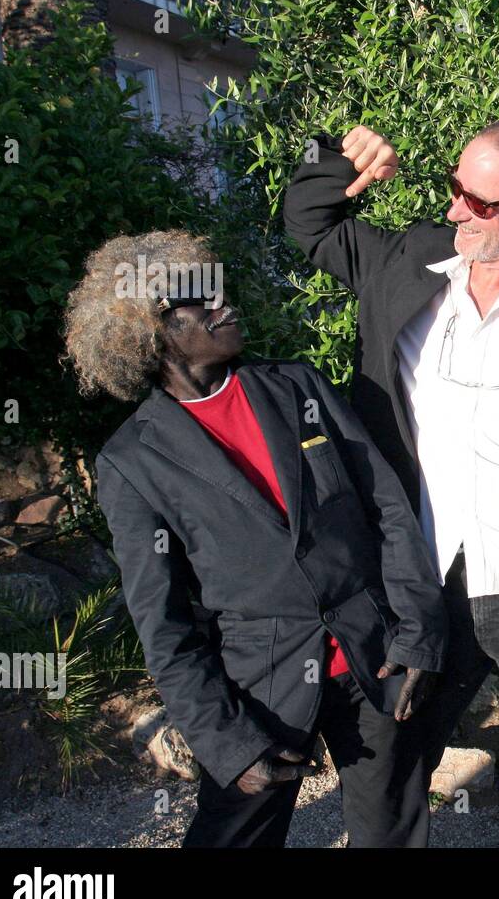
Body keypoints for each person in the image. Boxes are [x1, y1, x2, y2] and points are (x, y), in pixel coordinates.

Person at [283, 118, 499, 847]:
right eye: (455, 189)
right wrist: (339, 160)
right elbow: (309, 222)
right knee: (395, 764)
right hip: (422, 580)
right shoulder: (411, 260)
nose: (458, 208)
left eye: (482, 202)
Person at [67, 230, 448, 847]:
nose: (226, 306)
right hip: (262, 686)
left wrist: (419, 633)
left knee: (394, 834)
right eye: (203, 302)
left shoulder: (300, 389)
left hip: (373, 658)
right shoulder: (133, 460)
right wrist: (228, 744)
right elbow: (163, 623)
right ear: (150, 329)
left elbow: (389, 508)